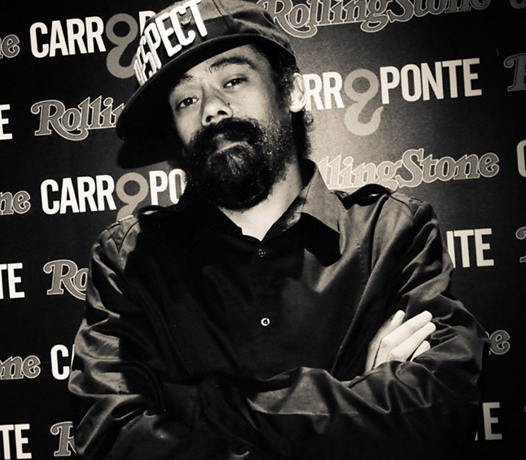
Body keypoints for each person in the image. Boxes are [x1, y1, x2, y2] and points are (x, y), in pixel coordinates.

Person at [67, 1, 487, 459]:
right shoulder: (130, 260)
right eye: (186, 100)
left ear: (291, 91)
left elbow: (442, 409)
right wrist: (362, 403)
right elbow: (111, 439)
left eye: (233, 80)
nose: (212, 109)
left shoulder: (393, 233)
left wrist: (200, 404)